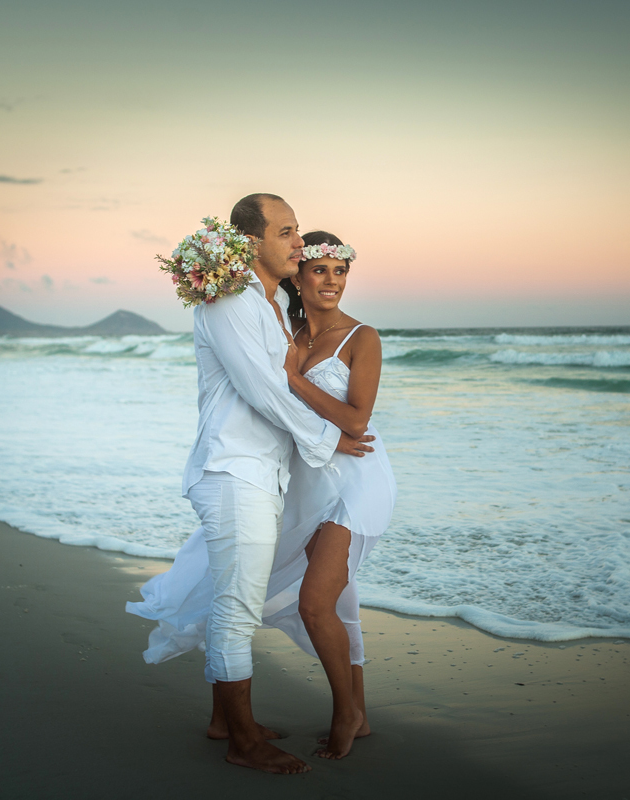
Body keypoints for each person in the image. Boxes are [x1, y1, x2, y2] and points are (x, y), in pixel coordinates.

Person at [126, 194, 374, 775]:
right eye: (286, 232)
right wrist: (326, 440)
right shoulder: (233, 299)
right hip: (236, 470)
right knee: (237, 609)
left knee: (230, 600)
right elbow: (265, 390)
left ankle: (225, 720)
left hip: (259, 471)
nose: (298, 243)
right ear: (252, 241)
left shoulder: (264, 302)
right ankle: (242, 740)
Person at [265, 231, 397, 758]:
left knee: (315, 603)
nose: (331, 281)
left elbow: (356, 418)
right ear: (298, 276)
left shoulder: (362, 337)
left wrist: (294, 380)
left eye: (339, 271)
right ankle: (357, 714)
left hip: (359, 479)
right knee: (341, 601)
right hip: (310, 481)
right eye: (319, 270)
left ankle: (348, 712)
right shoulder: (288, 333)